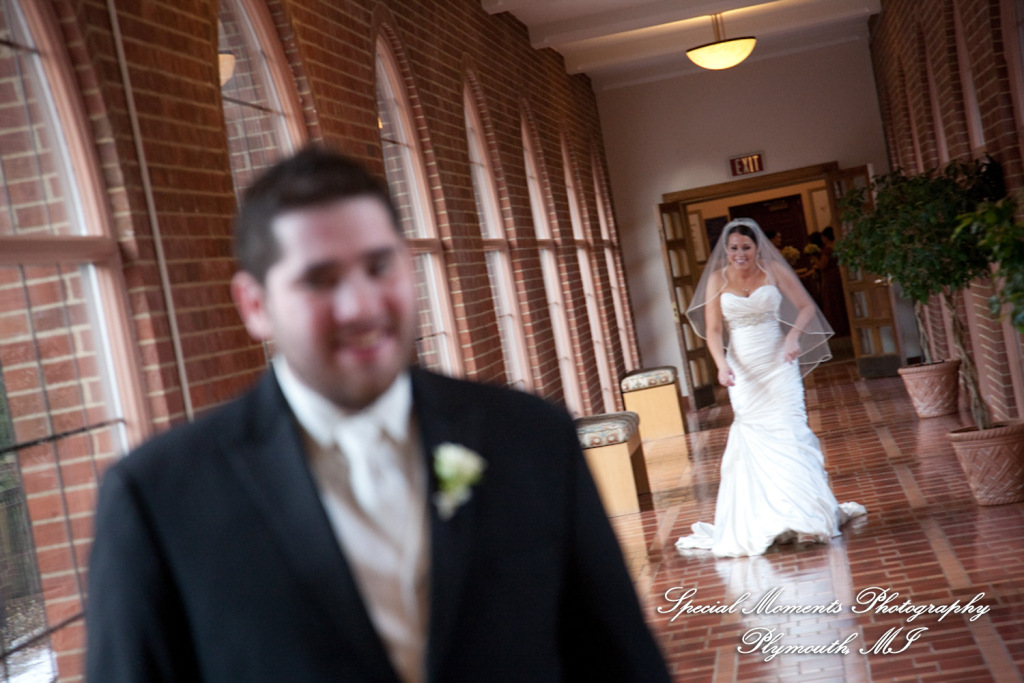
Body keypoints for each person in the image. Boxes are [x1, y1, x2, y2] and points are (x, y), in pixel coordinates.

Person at [85, 146, 671, 682]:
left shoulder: (531, 437)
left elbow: (619, 662)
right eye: (321, 279)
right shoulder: (158, 498)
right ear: (255, 305)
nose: (361, 305)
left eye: (378, 266)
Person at [675, 218, 864, 558]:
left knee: (792, 433)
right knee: (755, 438)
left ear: (757, 247)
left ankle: (806, 520)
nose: (739, 254)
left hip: (779, 364)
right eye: (733, 248)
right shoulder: (717, 280)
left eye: (745, 247)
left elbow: (807, 307)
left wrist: (793, 336)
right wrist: (722, 364)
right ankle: (770, 517)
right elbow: (715, 330)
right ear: (726, 250)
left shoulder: (775, 270)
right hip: (743, 371)